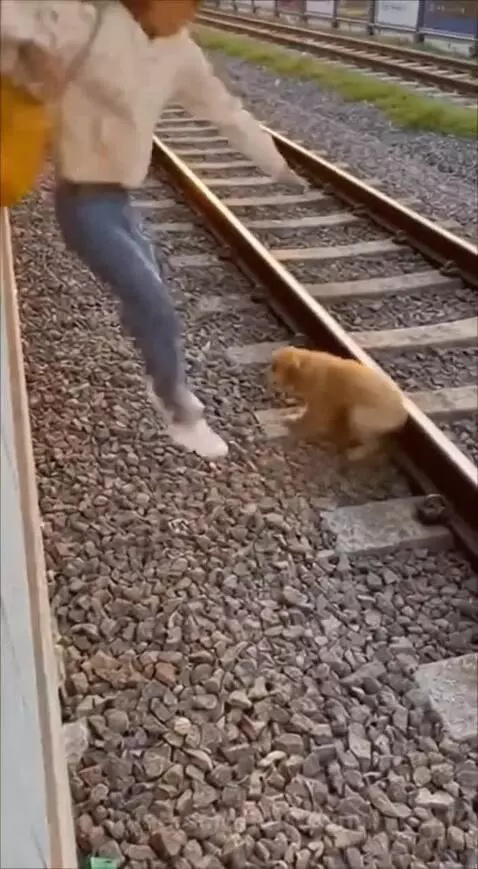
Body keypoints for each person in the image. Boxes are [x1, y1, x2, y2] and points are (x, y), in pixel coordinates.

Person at [3, 0, 307, 459]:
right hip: (81, 204)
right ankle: (180, 412)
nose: (191, 11)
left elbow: (224, 109)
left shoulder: (179, 51)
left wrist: (276, 164)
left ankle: (156, 357)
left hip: (122, 202)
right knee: (155, 304)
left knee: (150, 299)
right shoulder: (91, 23)